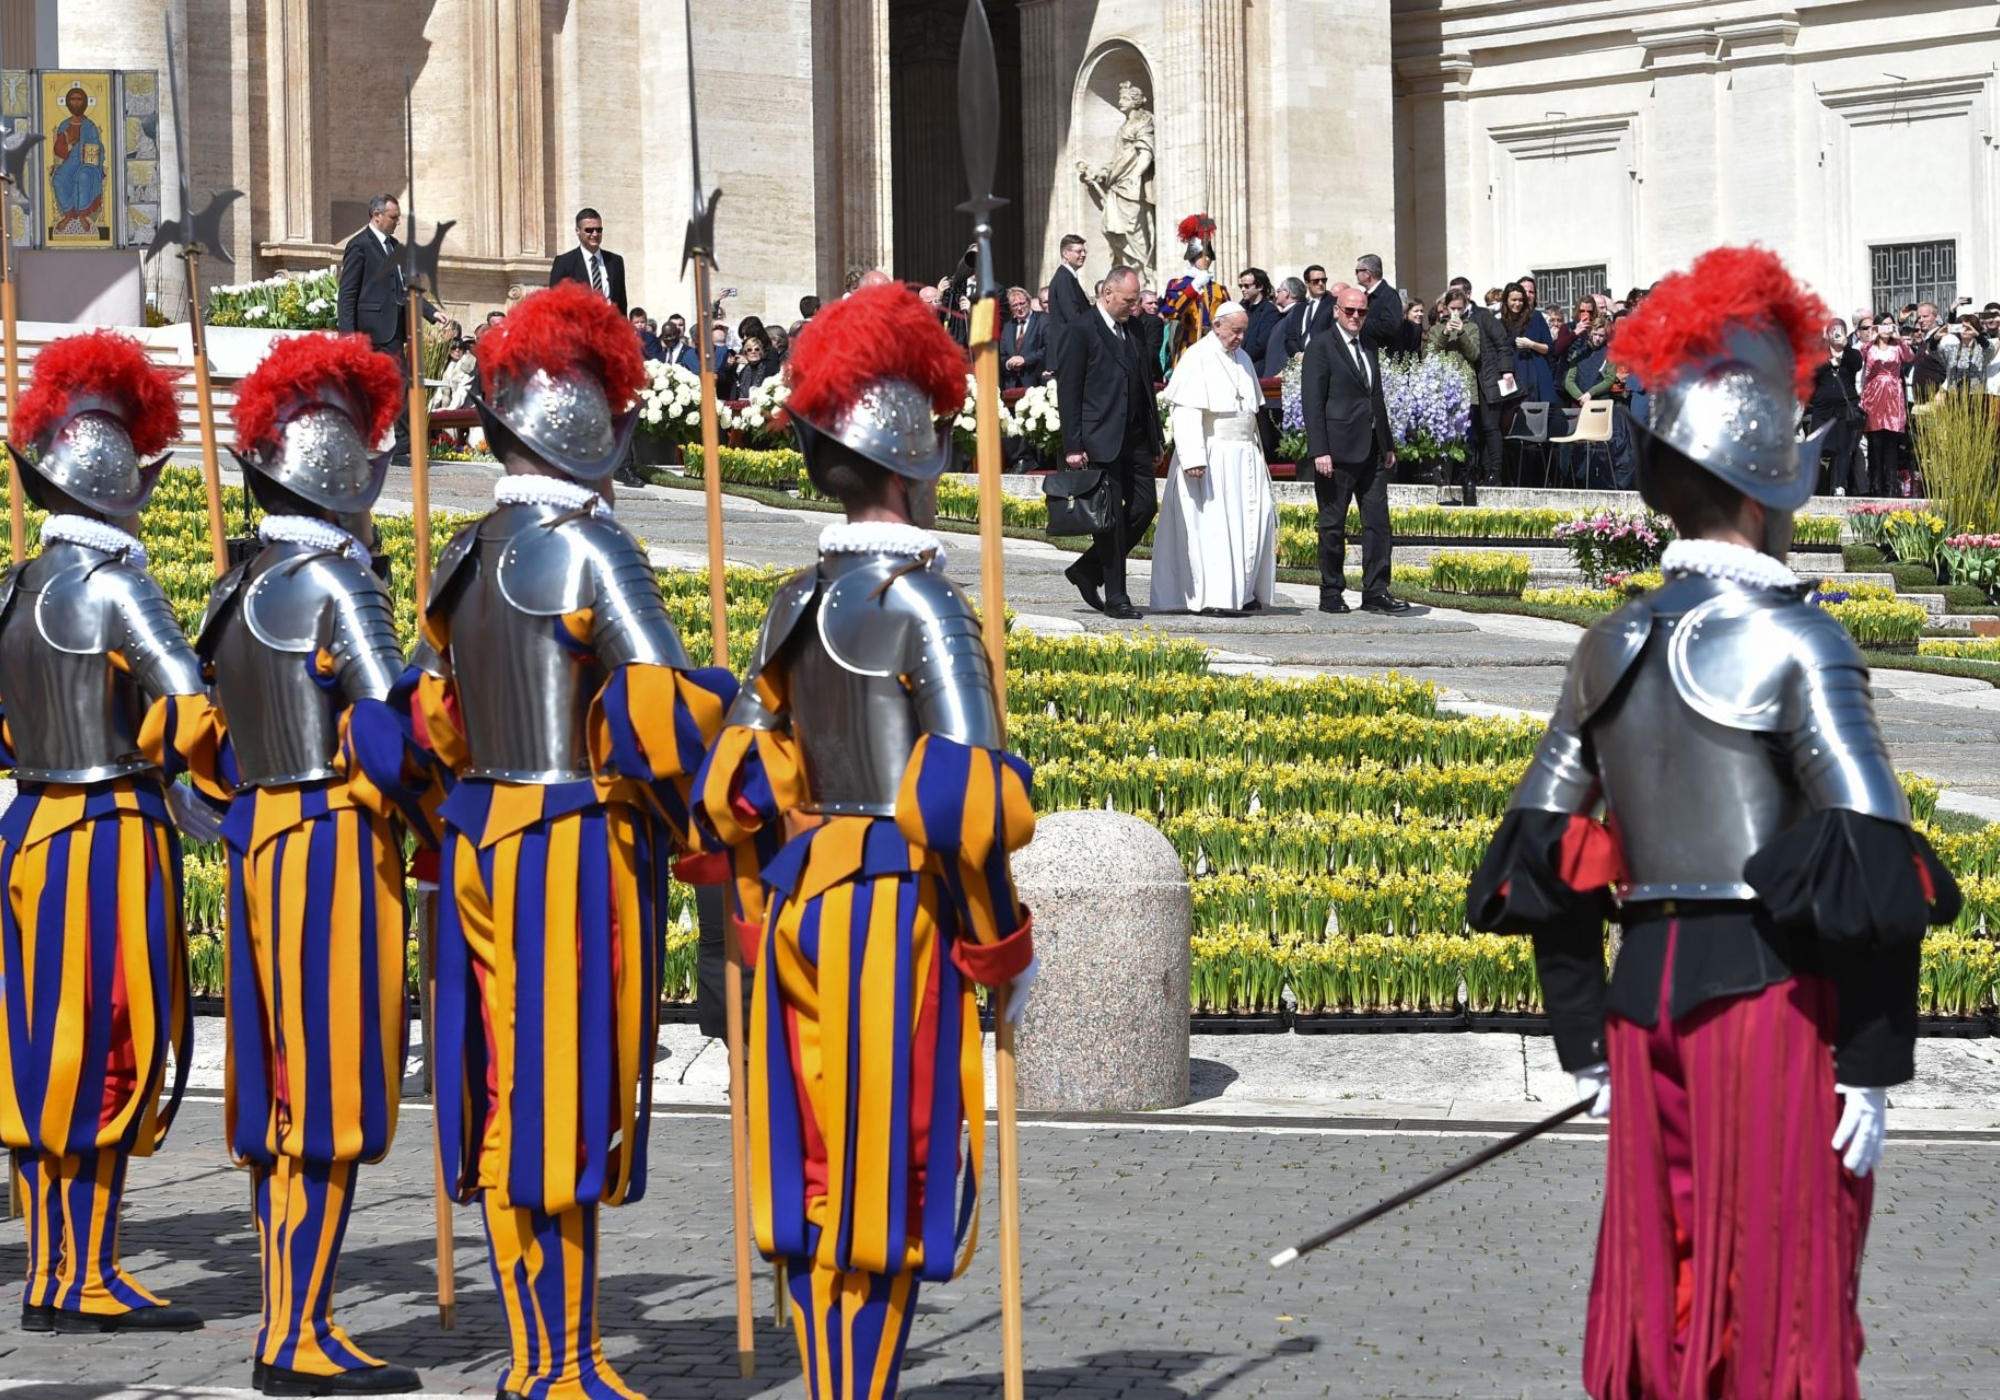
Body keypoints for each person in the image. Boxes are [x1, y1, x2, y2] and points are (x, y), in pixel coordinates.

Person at [1467, 244, 1959, 1400]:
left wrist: (1583, 1035)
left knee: (1663, 1294)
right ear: (1761, 480)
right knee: (1779, 1305)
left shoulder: (1608, 639)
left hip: (1642, 1014)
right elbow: (1874, 869)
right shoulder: (1798, 639)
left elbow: (1544, 860)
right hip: (1771, 1012)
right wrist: (1874, 1061)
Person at [689, 282, 1038, 1400]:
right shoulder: (931, 608)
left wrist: (746, 925)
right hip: (898, 914)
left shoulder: (790, 598)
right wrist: (1000, 952)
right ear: (908, 462)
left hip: (801, 907)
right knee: (889, 1171)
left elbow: (739, 787)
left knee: (816, 1169)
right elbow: (963, 810)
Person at [418, 282, 735, 1400]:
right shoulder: (598, 553)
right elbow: (656, 719)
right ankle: (561, 1360)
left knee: (510, 1092)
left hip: (479, 840)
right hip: (572, 843)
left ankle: (535, 1351)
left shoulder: (462, 549)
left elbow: (436, 718)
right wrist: (726, 724)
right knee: (570, 1096)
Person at [201, 334, 444, 1396]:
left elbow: (194, 745)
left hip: (257, 836)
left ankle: (292, 1311)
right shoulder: (339, 585)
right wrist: (442, 812)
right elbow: (391, 739)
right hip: (334, 843)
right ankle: (295, 1331)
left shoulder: (232, 584)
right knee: (332, 1091)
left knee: (276, 1098)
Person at [0, 331, 224, 1336]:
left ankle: (53, 1267)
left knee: (44, 1049)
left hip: (28, 824)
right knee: (105, 1045)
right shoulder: (118, 583)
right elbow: (190, 714)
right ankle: (85, 1268)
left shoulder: (13, 586)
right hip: (106, 826)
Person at [1149, 302, 1277, 616]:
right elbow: (1186, 410)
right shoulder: (1197, 357)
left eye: (1244, 331)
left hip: (1245, 454)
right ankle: (1214, 595)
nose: (1240, 338)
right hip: (1212, 454)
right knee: (1214, 526)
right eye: (1235, 331)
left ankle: (1242, 590)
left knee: (1252, 521)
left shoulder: (1243, 358)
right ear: (1217, 325)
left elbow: (1251, 409)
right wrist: (1193, 456)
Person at [1056, 266, 1164, 621]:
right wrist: (1072, 444)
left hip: (1134, 437)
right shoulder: (1081, 329)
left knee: (1145, 507)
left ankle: (1087, 569)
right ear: (1108, 295)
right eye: (1129, 301)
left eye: (1137, 301)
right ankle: (1117, 595)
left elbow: (1145, 383)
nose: (1134, 308)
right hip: (1099, 438)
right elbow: (1069, 390)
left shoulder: (1133, 327)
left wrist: (1155, 436)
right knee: (1110, 519)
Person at [1302, 286, 1408, 616]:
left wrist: (1387, 443)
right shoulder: (1321, 346)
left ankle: (1376, 590)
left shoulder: (1369, 346)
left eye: (1362, 312)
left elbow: (1375, 396)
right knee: (1332, 523)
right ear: (1336, 311)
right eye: (1350, 311)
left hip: (1372, 449)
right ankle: (1331, 589)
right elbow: (1312, 401)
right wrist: (1320, 449)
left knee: (1377, 522)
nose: (1356, 317)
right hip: (1336, 450)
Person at [337, 195, 447, 458]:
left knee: (402, 385)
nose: (397, 222)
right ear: (377, 215)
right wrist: (349, 337)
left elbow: (410, 291)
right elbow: (347, 294)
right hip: (370, 333)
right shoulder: (359, 245)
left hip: (395, 333)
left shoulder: (397, 247)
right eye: (393, 217)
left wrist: (432, 313)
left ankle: (404, 445)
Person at [1472, 285, 1526, 485]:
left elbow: (1502, 344)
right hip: (1476, 381)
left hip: (1491, 379)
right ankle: (1485, 472)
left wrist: (1506, 370)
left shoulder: (1483, 317)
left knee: (1491, 426)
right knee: (1481, 428)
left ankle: (1495, 473)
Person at [1805, 318, 1865, 495]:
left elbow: (1857, 363)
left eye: (1840, 331)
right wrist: (1828, 363)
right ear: (1827, 334)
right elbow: (1812, 371)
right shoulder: (1819, 353)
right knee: (1817, 446)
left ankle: (1840, 485)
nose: (1836, 334)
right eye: (1833, 331)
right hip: (1822, 409)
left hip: (1843, 409)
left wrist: (1845, 347)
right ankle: (1813, 485)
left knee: (1843, 447)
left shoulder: (1851, 353)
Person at [1162, 215, 1229, 370]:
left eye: (1208, 255)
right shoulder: (1177, 284)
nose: (1206, 259)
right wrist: (1194, 286)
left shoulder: (1220, 289)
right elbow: (1171, 311)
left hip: (1215, 345)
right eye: (1201, 255)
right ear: (1193, 257)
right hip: (1188, 344)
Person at [1860, 314, 1915, 497]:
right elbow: (1859, 355)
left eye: (1890, 325)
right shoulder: (1871, 347)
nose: (1887, 329)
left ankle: (1892, 486)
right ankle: (1876, 485)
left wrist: (1900, 340)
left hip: (1893, 394)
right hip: (1873, 394)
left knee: (1890, 442)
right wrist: (1872, 338)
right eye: (1883, 325)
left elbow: (1909, 357)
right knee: (1875, 442)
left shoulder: (1896, 347)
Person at [547, 207, 628, 313]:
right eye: (589, 230)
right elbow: (555, 303)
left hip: (609, 327)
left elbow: (621, 304)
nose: (595, 234)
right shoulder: (564, 263)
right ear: (577, 231)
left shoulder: (615, 261)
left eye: (599, 230)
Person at [1046, 234, 1092, 370]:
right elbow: (1073, 315)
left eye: (1084, 251)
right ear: (1066, 253)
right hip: (1069, 350)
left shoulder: (1068, 277)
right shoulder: (1064, 278)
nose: (1083, 255)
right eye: (1079, 251)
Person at [1000, 285, 1048, 391]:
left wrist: (1025, 360)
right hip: (1011, 386)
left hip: (1035, 383)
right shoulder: (1008, 326)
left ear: (1029, 302)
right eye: (1014, 305)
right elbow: (1002, 355)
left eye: (1022, 303)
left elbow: (1048, 349)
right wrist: (1009, 364)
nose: (1019, 308)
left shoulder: (1043, 319)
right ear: (1010, 308)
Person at [1285, 265, 1337, 360]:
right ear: (1307, 283)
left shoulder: (1333, 304)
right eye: (1316, 281)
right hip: (1299, 361)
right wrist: (1297, 355)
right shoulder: (1299, 308)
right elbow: (1291, 337)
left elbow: (1334, 334)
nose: (1321, 284)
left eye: (1324, 280)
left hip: (1322, 359)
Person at [1235, 268, 1282, 369]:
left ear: (1260, 286)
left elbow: (1260, 345)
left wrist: (1240, 358)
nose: (1243, 289)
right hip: (1236, 362)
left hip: (1254, 367)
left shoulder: (1270, 312)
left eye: (1247, 286)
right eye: (1241, 286)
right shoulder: (1240, 308)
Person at [1352, 254, 1401, 350]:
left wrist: (1360, 321)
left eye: (1357, 271)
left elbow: (1390, 327)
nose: (1356, 275)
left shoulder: (1389, 295)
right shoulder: (1365, 295)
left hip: (1382, 356)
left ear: (1367, 273)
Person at [1265, 276, 1309, 377]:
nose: (1277, 295)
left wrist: (1285, 373)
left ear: (1287, 293)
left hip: (1284, 380)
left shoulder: (1297, 312)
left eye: (1279, 291)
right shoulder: (1286, 315)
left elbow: (1296, 346)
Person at [732, 333, 779, 398]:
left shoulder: (769, 368)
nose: (753, 352)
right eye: (749, 350)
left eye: (757, 349)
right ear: (745, 353)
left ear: (761, 351)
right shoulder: (743, 371)